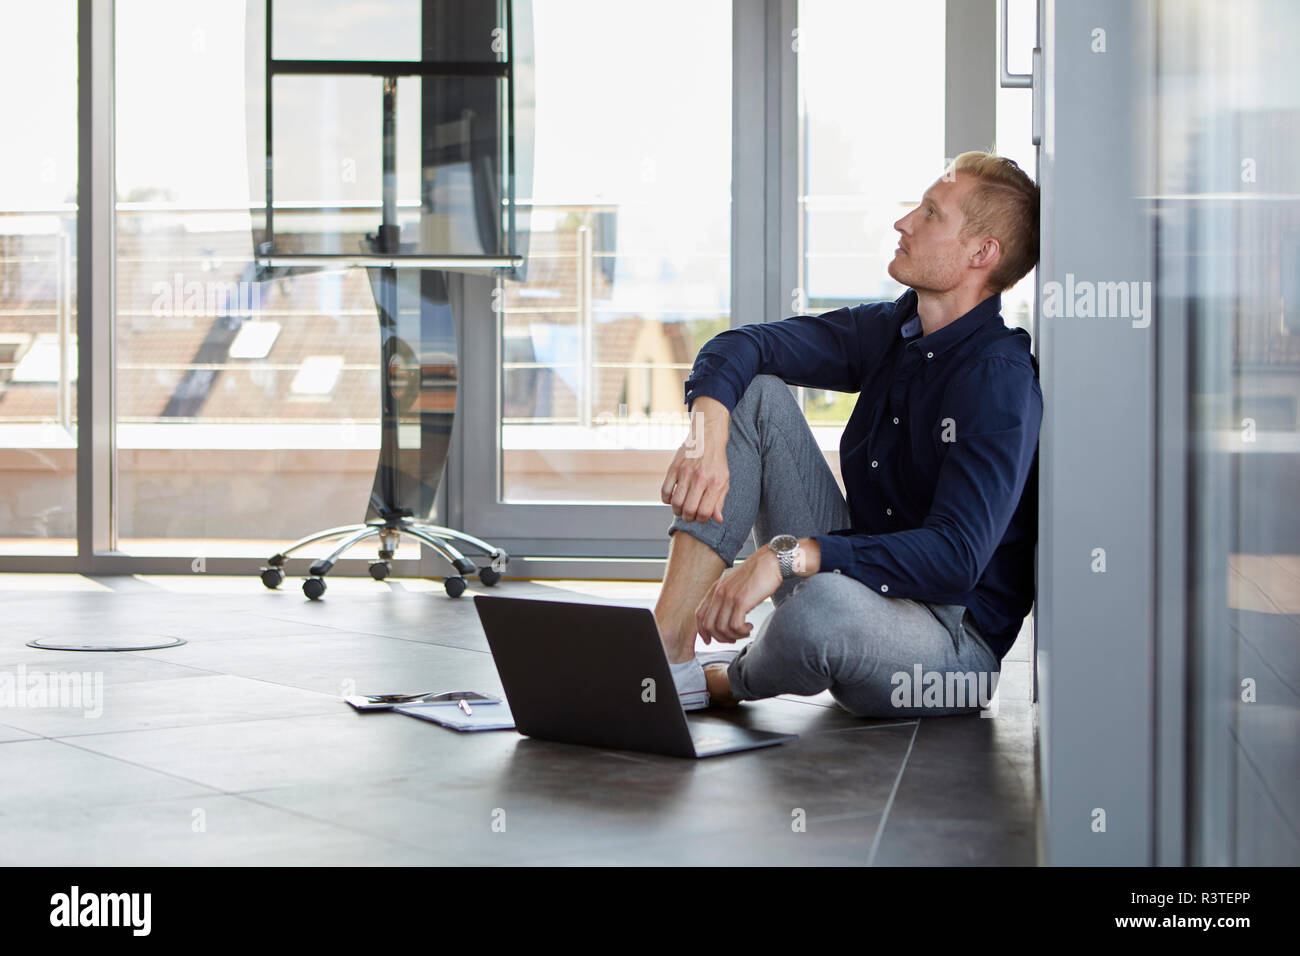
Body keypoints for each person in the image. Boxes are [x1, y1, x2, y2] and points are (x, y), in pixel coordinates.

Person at [653, 151, 1042, 717]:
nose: (904, 222)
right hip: (865, 579)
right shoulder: (893, 330)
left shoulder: (998, 380)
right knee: (754, 393)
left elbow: (956, 557)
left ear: (982, 253)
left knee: (821, 610)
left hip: (949, 641)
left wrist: (787, 555)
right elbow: (742, 345)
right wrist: (706, 432)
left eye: (931, 214)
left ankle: (723, 681)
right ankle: (664, 653)